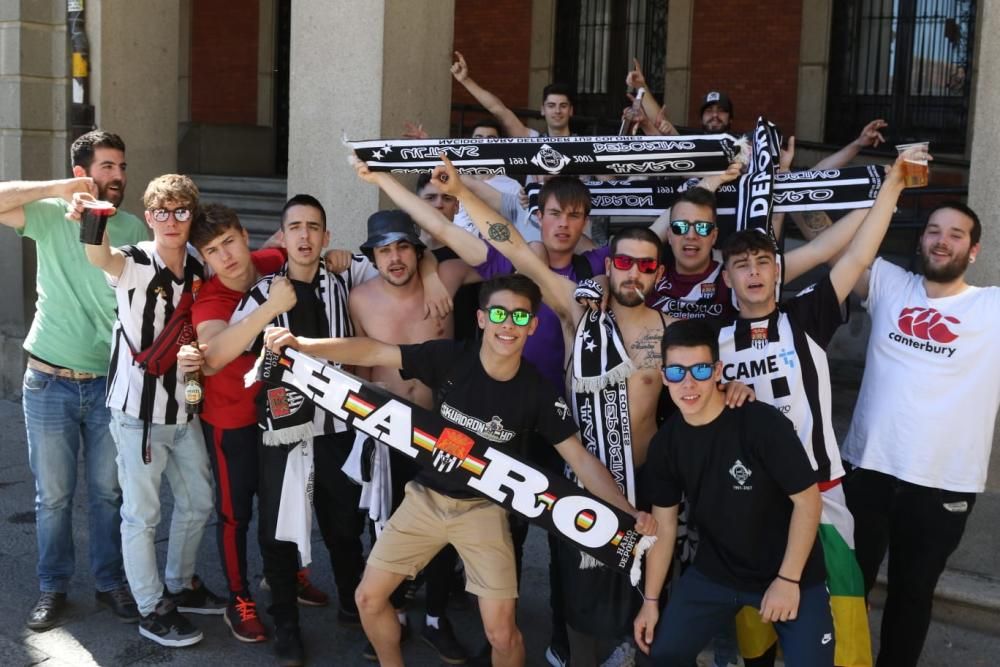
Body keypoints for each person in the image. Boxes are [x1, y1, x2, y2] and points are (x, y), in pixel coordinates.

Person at [263, 272, 655, 667]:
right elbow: (376, 351)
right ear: (482, 318)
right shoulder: (450, 358)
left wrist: (628, 511)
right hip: (425, 498)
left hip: (484, 510)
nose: (508, 325)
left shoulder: (536, 390)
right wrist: (305, 345)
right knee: (369, 598)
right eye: (498, 314)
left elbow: (580, 458)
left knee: (502, 634)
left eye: (520, 317)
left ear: (533, 326)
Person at [714, 148, 931, 667]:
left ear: (777, 270)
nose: (754, 273)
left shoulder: (806, 313)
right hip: (752, 502)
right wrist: (721, 390)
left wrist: (893, 187)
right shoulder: (711, 344)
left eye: (763, 262)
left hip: (823, 492)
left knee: (844, 622)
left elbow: (855, 257)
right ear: (727, 280)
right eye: (741, 265)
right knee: (756, 629)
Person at [841, 198, 1000, 667]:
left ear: (973, 250)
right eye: (934, 230)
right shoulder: (890, 284)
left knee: (913, 596)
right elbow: (830, 242)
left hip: (944, 483)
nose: (942, 240)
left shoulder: (991, 307)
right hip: (870, 468)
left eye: (955, 234)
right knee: (849, 589)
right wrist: (880, 189)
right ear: (920, 239)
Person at [0, 130, 147, 631]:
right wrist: (62, 188)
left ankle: (110, 584)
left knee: (109, 493)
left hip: (110, 384)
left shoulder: (131, 226)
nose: (119, 176)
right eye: (108, 167)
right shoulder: (46, 216)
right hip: (47, 379)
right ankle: (52, 587)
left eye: (122, 167)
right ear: (84, 171)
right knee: (53, 496)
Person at [224, 193, 377, 665]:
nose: (305, 236)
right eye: (296, 227)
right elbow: (229, 347)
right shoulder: (261, 294)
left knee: (345, 524)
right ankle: (286, 622)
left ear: (326, 236)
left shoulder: (348, 281)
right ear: (283, 236)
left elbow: (410, 261)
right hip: (282, 431)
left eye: (314, 227)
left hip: (337, 428)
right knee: (277, 531)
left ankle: (358, 608)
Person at [634, 318, 832, 665]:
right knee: (661, 654)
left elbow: (808, 501)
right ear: (664, 376)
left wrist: (788, 579)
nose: (689, 383)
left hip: (788, 569)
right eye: (677, 372)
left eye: (699, 369)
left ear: (717, 371)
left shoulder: (760, 422)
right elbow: (664, 528)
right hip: (718, 571)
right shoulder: (666, 444)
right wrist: (650, 602)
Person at [81, 174, 223, 647]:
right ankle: (150, 605)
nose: (171, 220)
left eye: (181, 211)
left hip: (184, 410)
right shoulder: (138, 260)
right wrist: (94, 220)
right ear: (149, 217)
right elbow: (101, 257)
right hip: (137, 414)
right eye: (161, 211)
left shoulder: (200, 265)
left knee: (199, 501)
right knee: (141, 516)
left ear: (191, 215)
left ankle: (179, 584)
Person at [349, 210, 468, 664]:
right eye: (384, 250)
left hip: (445, 427)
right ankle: (392, 609)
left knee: (446, 524)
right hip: (387, 425)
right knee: (384, 523)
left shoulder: (448, 277)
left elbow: (490, 256)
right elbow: (360, 366)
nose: (395, 258)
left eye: (403, 247)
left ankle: (437, 616)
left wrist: (436, 270)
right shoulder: (359, 298)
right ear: (373, 256)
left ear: (417, 250)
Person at [185, 203, 296, 643]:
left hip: (281, 413)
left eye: (229, 241)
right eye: (212, 251)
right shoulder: (210, 298)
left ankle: (286, 576)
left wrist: (338, 256)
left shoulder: (268, 262)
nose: (226, 256)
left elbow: (295, 247)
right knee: (235, 515)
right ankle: (238, 598)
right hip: (230, 420)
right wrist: (269, 309)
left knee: (282, 506)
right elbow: (211, 358)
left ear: (245, 235)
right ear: (205, 259)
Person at [451, 51, 574, 138]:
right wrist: (465, 80)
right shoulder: (531, 140)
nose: (557, 111)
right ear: (543, 110)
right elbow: (497, 109)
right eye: (551, 105)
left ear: (571, 110)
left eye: (563, 106)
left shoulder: (587, 144)